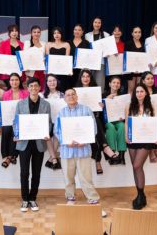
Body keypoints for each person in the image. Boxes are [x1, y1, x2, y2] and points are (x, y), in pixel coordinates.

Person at [54, 88, 106, 218]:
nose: (71, 96)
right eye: (68, 95)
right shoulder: (61, 113)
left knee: (86, 178)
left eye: (73, 94)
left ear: (76, 96)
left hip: (83, 150)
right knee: (68, 178)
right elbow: (57, 131)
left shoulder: (86, 110)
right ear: (64, 98)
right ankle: (71, 199)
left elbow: (93, 128)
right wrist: (65, 141)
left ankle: (93, 202)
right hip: (67, 150)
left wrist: (86, 140)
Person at [13, 77, 52, 212]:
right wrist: (16, 134)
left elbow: (49, 123)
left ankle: (33, 198)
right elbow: (15, 122)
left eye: (36, 86)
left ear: (39, 88)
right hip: (24, 144)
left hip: (39, 143)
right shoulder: (20, 104)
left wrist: (48, 132)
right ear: (28, 88)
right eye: (31, 86)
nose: (34, 88)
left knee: (36, 173)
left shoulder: (46, 104)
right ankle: (25, 199)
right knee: (24, 173)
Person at [125, 83, 157, 210]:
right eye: (137, 92)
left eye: (141, 91)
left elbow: (155, 124)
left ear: (146, 93)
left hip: (147, 140)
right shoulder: (129, 106)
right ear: (134, 94)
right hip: (133, 140)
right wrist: (126, 137)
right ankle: (140, 196)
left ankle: (141, 194)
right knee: (135, 168)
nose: (139, 93)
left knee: (137, 165)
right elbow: (126, 123)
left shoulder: (151, 107)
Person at [75, 69, 118, 173]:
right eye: (83, 76)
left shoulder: (96, 91)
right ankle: (105, 147)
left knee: (95, 125)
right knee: (94, 123)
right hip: (81, 119)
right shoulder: (75, 91)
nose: (85, 78)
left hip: (94, 119)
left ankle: (98, 159)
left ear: (91, 78)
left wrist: (102, 105)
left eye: (88, 76)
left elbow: (101, 107)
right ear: (80, 78)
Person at [0, 73, 29, 168]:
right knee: (7, 129)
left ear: (20, 81)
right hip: (8, 119)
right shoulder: (5, 94)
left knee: (16, 129)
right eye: (12, 80)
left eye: (16, 79)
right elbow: (3, 109)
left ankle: (10, 157)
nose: (14, 82)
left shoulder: (26, 93)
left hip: (22, 119)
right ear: (9, 82)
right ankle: (8, 156)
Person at [140, 71, 157, 163]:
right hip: (144, 116)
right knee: (151, 126)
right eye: (148, 79)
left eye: (152, 78)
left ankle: (156, 149)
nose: (151, 80)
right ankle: (152, 151)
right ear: (143, 81)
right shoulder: (140, 90)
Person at [42, 74, 64, 170]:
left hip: (58, 121)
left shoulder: (62, 94)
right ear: (46, 83)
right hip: (46, 121)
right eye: (49, 81)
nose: (52, 83)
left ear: (57, 81)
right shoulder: (41, 95)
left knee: (56, 132)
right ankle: (54, 157)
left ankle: (52, 158)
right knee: (46, 134)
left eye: (54, 80)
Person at [102, 76, 126, 165]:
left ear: (120, 85)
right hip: (108, 120)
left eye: (118, 83)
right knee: (111, 127)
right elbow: (100, 110)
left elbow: (126, 110)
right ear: (109, 84)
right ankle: (112, 155)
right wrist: (106, 100)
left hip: (119, 120)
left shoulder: (123, 96)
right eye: (114, 82)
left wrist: (123, 116)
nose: (116, 84)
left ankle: (121, 155)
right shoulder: (103, 95)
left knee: (122, 126)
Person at [85, 17, 111, 90]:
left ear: (101, 24)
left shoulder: (106, 35)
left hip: (101, 63)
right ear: (92, 24)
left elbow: (109, 49)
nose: (97, 24)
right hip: (90, 63)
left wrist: (108, 53)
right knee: (88, 84)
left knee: (100, 84)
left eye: (99, 22)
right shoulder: (87, 35)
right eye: (95, 22)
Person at [0, 24, 24, 89]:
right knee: (10, 89)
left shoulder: (22, 44)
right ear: (9, 33)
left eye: (16, 31)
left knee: (20, 90)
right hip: (7, 72)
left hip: (18, 72)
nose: (14, 33)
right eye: (12, 31)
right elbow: (1, 59)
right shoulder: (3, 44)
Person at [45, 27, 71, 92]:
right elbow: (47, 59)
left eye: (58, 33)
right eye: (55, 33)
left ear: (61, 34)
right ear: (53, 35)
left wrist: (68, 70)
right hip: (52, 72)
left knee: (63, 90)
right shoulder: (48, 44)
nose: (56, 35)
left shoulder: (66, 44)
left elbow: (67, 60)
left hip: (63, 72)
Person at [24, 25, 46, 91]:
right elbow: (25, 56)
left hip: (41, 70)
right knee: (33, 88)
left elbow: (45, 56)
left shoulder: (44, 43)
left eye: (38, 32)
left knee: (41, 88)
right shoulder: (27, 43)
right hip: (31, 70)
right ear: (31, 33)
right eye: (34, 32)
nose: (36, 34)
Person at [69, 24, 91, 89]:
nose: (77, 31)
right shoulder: (68, 42)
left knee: (80, 88)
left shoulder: (87, 43)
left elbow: (89, 57)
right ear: (73, 31)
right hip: (70, 71)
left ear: (82, 32)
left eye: (79, 30)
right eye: (75, 30)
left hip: (82, 71)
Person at [125, 26, 144, 94]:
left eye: (139, 32)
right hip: (131, 71)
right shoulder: (128, 44)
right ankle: (130, 104)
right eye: (135, 32)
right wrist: (133, 69)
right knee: (131, 89)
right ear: (132, 34)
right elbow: (126, 58)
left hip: (140, 71)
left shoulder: (143, 44)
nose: (137, 34)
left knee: (139, 88)